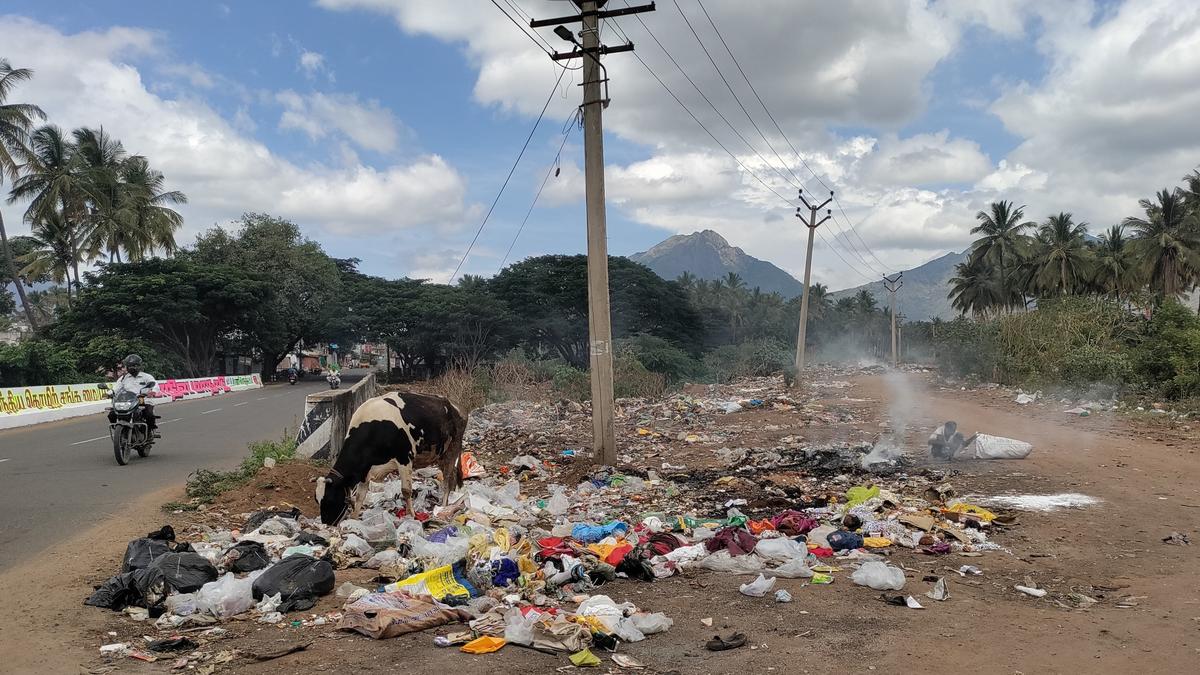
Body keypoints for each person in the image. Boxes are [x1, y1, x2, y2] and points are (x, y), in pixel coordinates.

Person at [111, 354, 159, 437]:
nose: (132, 368)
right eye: (129, 366)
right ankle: (118, 430)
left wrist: (153, 392)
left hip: (143, 400)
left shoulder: (146, 376)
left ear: (139, 366)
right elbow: (116, 388)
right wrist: (109, 393)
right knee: (112, 413)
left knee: (149, 414)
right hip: (129, 401)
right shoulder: (124, 378)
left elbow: (155, 385)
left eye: (134, 365)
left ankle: (150, 431)